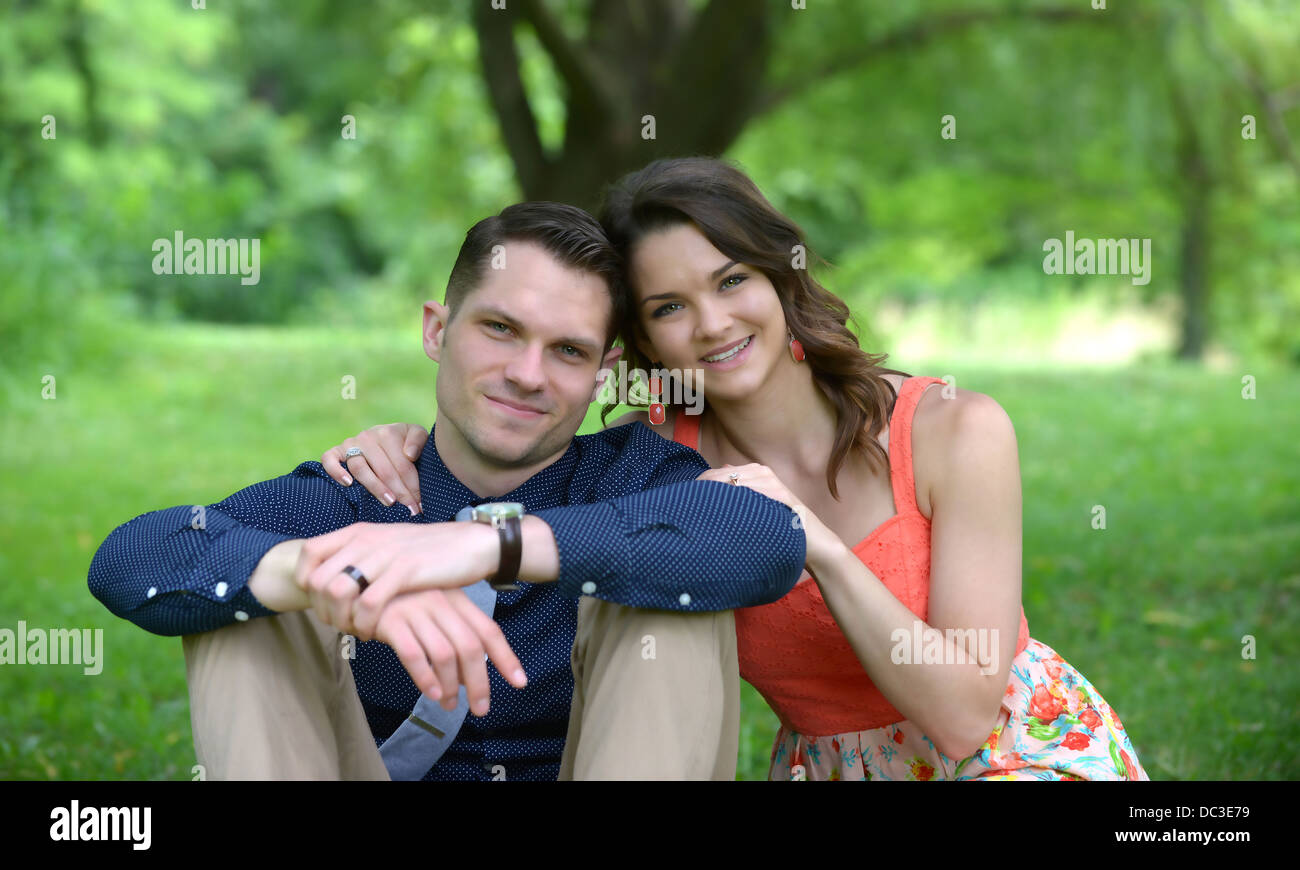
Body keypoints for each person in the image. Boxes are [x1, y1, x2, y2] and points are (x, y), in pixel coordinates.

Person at [328, 157, 1150, 781]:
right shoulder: (658, 462)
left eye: (732, 281)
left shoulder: (952, 430)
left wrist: (816, 547)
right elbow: (533, 463)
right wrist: (406, 441)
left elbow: (966, 715)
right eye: (670, 308)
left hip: (1017, 751)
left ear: (780, 275)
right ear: (642, 345)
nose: (713, 324)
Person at [88, 201, 809, 781]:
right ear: (438, 330)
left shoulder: (633, 475)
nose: (528, 374)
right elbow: (131, 557)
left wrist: (481, 547)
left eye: (567, 351)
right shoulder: (361, 495)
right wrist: (309, 572)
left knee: (668, 593)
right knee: (248, 598)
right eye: (501, 329)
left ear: (602, 374)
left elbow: (767, 539)